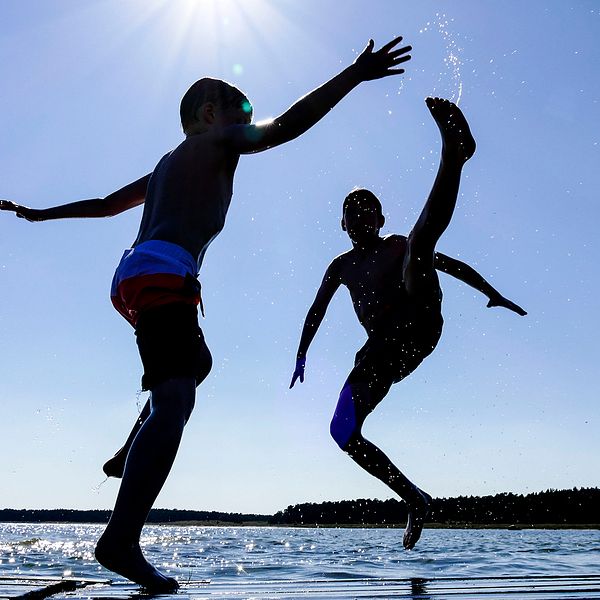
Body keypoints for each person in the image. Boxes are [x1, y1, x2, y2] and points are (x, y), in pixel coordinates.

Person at [0, 37, 411, 591]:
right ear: (210, 115)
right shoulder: (217, 140)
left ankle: (133, 446)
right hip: (164, 274)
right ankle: (120, 540)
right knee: (176, 400)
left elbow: (103, 206)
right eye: (241, 113)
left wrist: (38, 214)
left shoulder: (166, 167)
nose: (246, 127)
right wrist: (353, 74)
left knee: (196, 363)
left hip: (135, 278)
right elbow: (287, 126)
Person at [289, 97, 526, 551]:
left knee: (418, 245)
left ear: (379, 219)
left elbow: (449, 263)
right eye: (351, 212)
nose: (360, 217)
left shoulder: (396, 244)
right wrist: (302, 352)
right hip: (382, 347)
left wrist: (490, 292)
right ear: (342, 223)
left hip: (420, 318)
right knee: (342, 432)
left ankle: (455, 156)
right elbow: (316, 310)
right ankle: (415, 498)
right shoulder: (339, 265)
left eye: (368, 211)